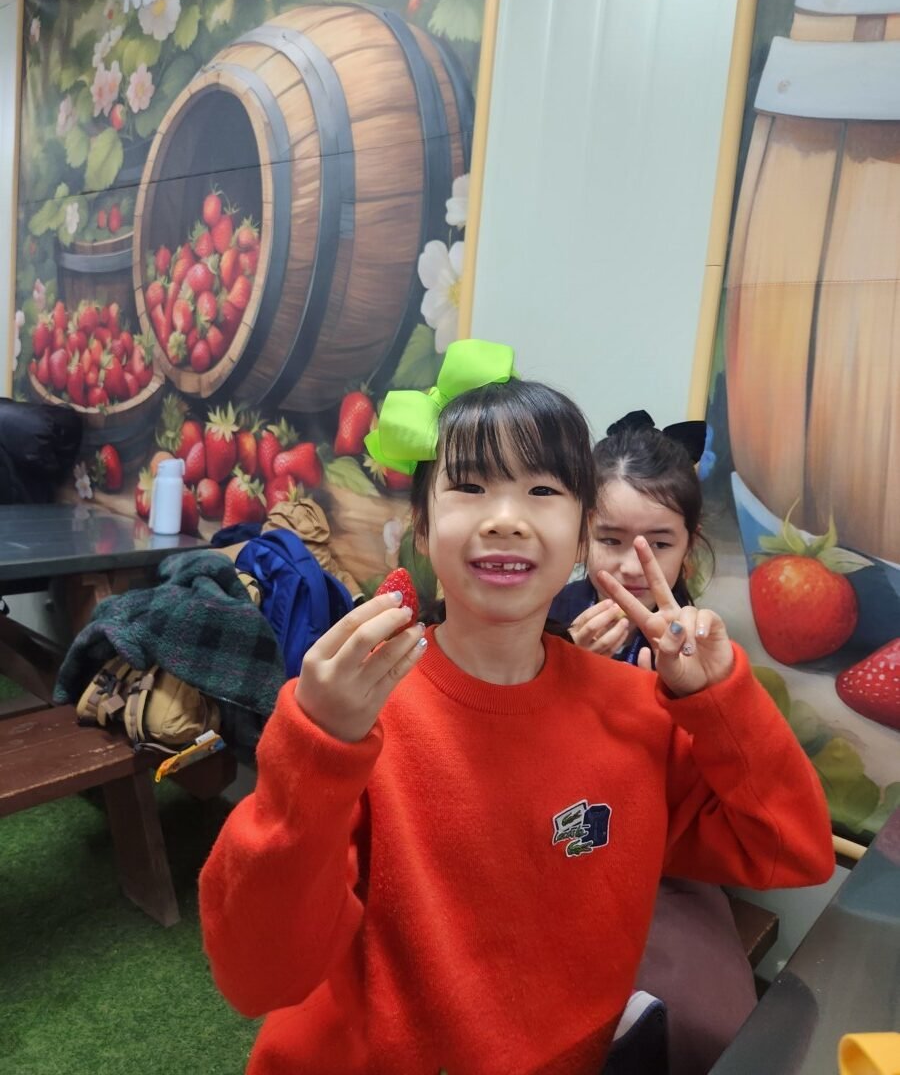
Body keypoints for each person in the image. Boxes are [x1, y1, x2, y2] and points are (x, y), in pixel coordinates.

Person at [199, 341, 835, 1075]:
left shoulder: (636, 713)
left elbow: (793, 848)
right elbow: (258, 977)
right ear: (422, 526)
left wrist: (715, 697)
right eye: (469, 486)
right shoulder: (359, 711)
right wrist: (318, 747)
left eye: (541, 491)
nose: (505, 518)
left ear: (581, 534)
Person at [550, 410, 760, 1075]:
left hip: (667, 866)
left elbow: (732, 799)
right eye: (610, 539)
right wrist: (562, 673)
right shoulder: (544, 615)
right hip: (553, 850)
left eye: (658, 543)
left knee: (713, 1025)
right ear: (581, 533)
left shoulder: (701, 645)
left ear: (688, 547)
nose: (631, 564)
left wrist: (692, 700)